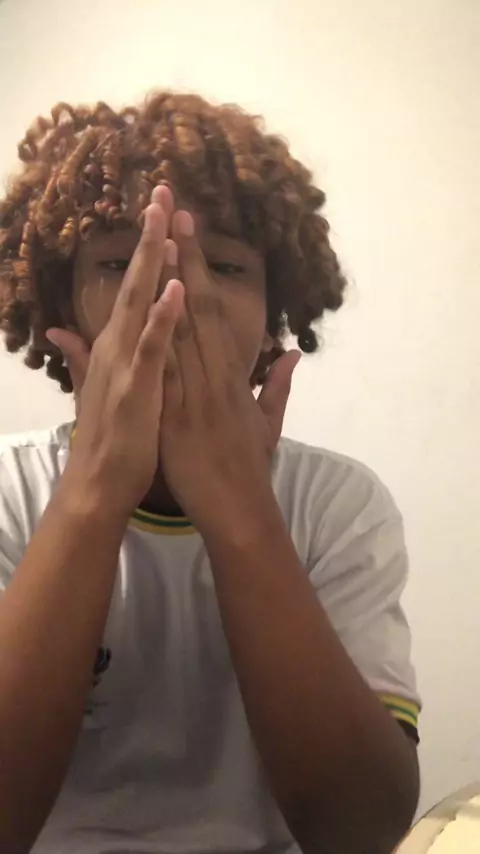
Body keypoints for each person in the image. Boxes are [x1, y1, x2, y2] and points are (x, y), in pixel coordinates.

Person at [0, 92, 420, 854]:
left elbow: (360, 831)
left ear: (274, 313)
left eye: (223, 265)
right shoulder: (10, 492)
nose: (175, 293)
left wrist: (241, 511)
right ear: (59, 303)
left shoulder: (337, 506)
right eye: (121, 263)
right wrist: (94, 493)